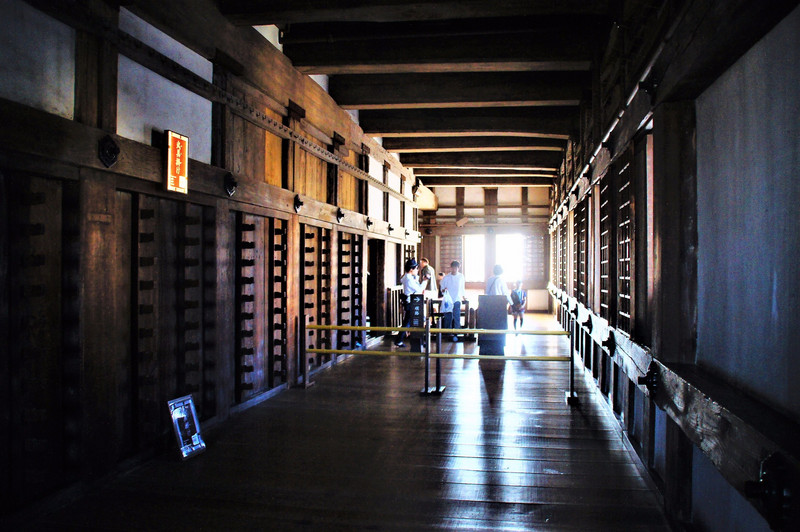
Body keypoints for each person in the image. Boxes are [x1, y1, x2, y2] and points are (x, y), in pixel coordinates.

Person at [395, 258, 424, 347]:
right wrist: (425, 281)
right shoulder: (409, 279)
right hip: (411, 302)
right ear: (411, 270)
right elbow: (419, 289)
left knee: (407, 322)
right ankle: (401, 340)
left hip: (410, 302)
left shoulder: (407, 277)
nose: (417, 270)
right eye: (416, 268)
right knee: (409, 323)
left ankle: (400, 340)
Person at [438, 260, 465, 342]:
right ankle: (448, 332)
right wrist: (444, 290)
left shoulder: (461, 277)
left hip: (457, 298)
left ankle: (457, 332)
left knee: (456, 315)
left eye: (456, 268)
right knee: (448, 316)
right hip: (448, 300)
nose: (454, 270)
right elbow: (442, 289)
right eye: (453, 268)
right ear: (451, 268)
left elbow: (462, 288)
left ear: (458, 268)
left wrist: (463, 296)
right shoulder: (446, 277)